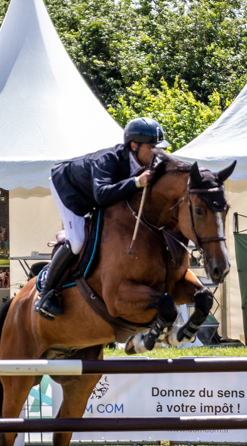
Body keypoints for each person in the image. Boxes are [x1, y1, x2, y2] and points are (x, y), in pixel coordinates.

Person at [36, 117, 169, 319]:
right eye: (152, 148)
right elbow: (102, 194)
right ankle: (45, 294)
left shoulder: (146, 163)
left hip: (93, 195)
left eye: (160, 149)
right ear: (134, 146)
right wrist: (136, 182)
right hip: (69, 191)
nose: (158, 154)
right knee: (77, 241)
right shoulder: (107, 160)